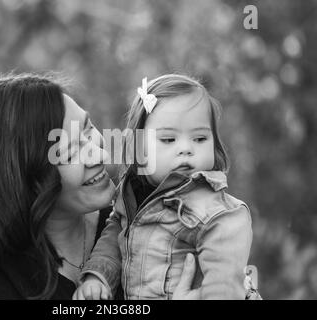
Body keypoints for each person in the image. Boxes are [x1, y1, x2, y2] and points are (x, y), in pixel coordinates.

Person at [0, 72, 201, 300]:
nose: (102, 155)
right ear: (23, 177)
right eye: (70, 152)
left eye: (88, 128)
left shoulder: (134, 218)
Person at [75, 74, 254, 300]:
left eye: (200, 138)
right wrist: (98, 276)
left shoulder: (215, 210)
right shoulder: (129, 196)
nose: (186, 149)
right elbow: (113, 239)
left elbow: (224, 277)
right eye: (169, 140)